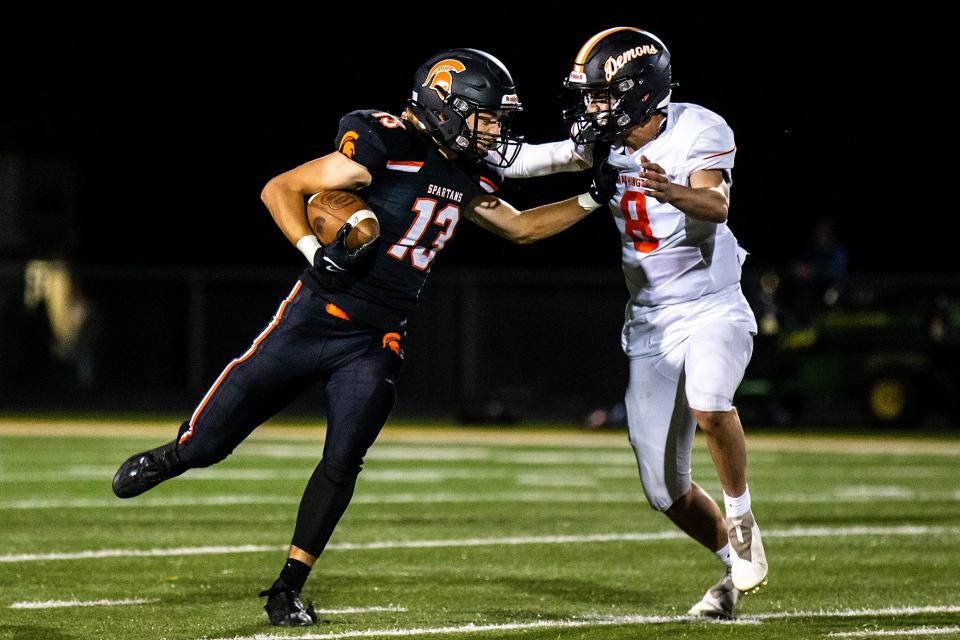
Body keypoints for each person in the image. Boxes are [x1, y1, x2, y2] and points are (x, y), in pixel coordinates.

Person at [110, 48, 612, 627]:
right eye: (487, 116)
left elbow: (521, 227)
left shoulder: (469, 171)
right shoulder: (384, 143)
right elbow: (281, 189)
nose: (496, 130)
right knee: (208, 447)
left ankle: (287, 587)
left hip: (377, 339)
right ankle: (172, 457)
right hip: (313, 319)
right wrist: (311, 250)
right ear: (444, 107)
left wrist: (593, 197)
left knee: (343, 458)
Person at [562, 27, 768, 618]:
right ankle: (734, 567)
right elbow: (540, 160)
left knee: (709, 401)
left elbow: (717, 204)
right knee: (663, 489)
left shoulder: (700, 127)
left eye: (601, 96)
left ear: (637, 92)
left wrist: (671, 190)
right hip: (649, 321)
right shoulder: (602, 141)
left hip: (711, 304)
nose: (591, 108)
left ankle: (742, 516)